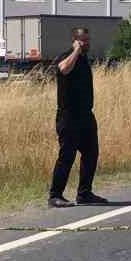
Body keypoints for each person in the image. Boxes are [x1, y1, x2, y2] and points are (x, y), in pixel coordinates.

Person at [49, 26, 105, 207]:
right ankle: (55, 195)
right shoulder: (67, 57)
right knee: (67, 156)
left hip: (86, 116)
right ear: (75, 40)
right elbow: (64, 69)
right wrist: (75, 51)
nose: (86, 44)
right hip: (69, 117)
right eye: (83, 41)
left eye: (88, 41)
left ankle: (84, 194)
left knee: (91, 153)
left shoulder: (84, 60)